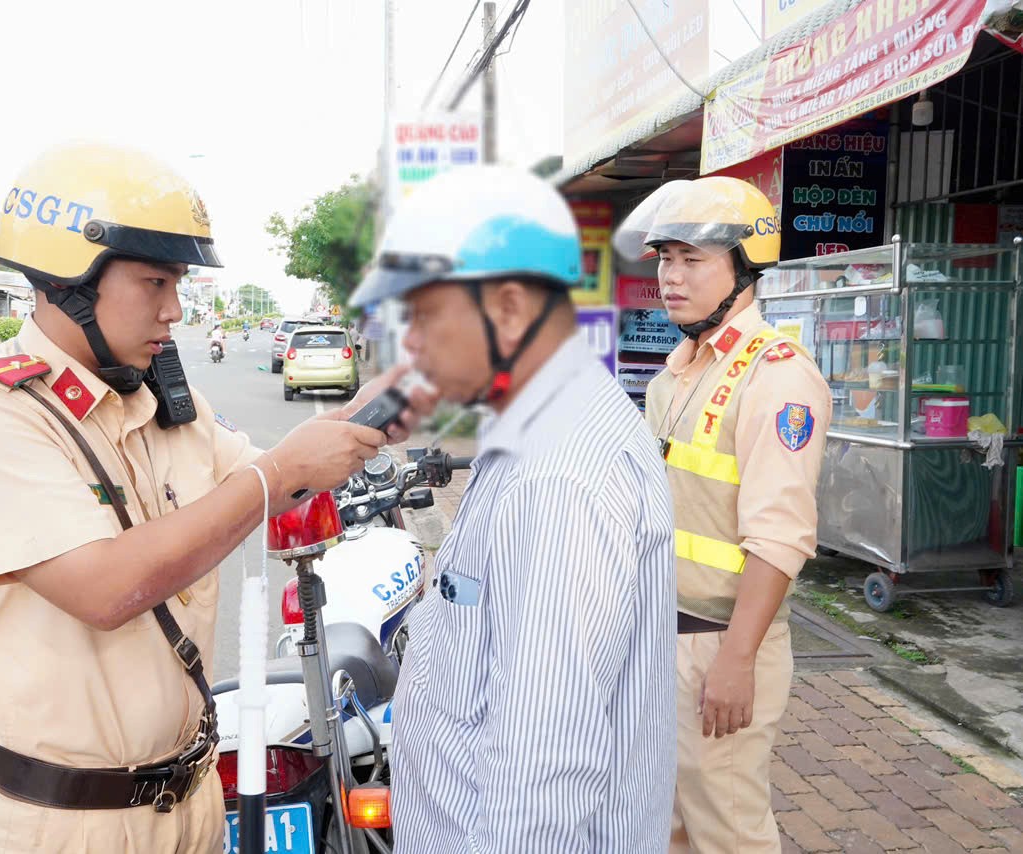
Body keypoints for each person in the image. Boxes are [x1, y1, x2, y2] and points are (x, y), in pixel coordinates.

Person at [0, 142, 433, 853]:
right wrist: (278, 474)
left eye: (179, 285)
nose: (173, 311)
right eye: (155, 283)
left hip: (191, 803)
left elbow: (273, 488)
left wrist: (366, 418)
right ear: (70, 280)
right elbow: (105, 587)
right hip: (63, 826)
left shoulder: (163, 406)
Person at [351, 165, 677, 853]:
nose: (409, 345)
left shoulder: (556, 477)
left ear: (506, 310)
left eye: (426, 316)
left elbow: (543, 762)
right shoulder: (538, 432)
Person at [615, 177, 831, 854]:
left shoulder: (778, 375)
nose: (671, 278)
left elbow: (780, 536)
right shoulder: (676, 372)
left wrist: (736, 661)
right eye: (664, 259)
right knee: (673, 823)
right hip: (663, 639)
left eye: (692, 259)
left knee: (729, 831)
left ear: (743, 267)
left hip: (722, 644)